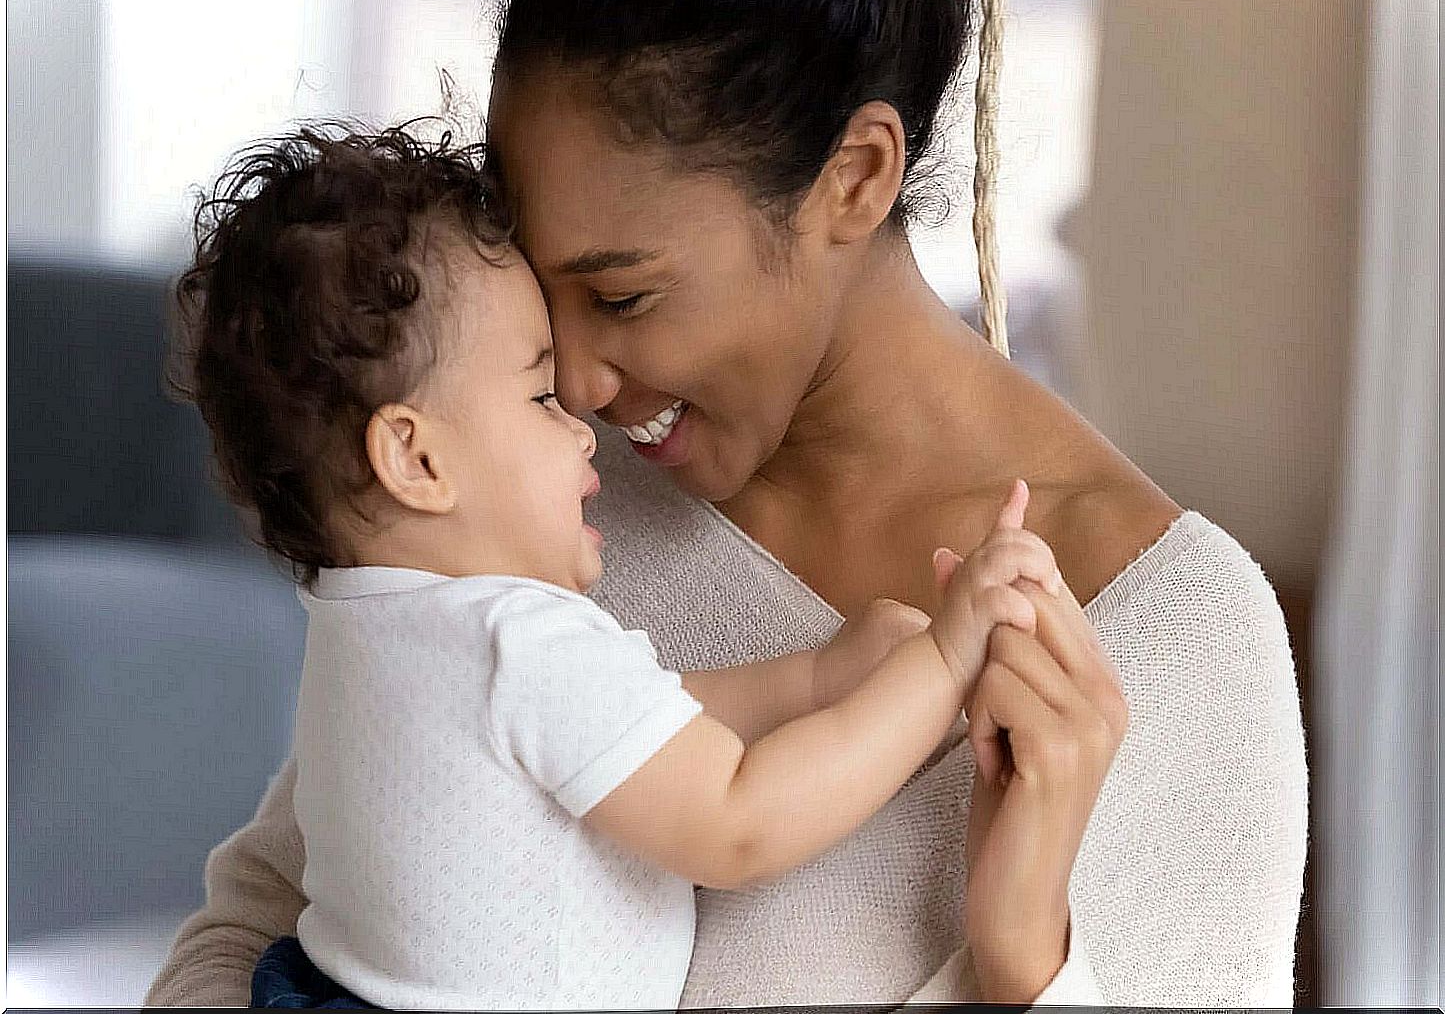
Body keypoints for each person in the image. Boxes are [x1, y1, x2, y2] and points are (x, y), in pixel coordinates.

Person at [147, 0, 1307, 1006]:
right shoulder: (522, 504)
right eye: (545, 309)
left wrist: (1021, 963)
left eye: (621, 295)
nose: (584, 384)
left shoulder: (1173, 636)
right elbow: (254, 928)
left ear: (854, 175)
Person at [170, 124, 1069, 1011]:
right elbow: (738, 820)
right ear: (416, 458)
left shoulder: (368, 625)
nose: (579, 421)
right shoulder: (511, 640)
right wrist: (942, 663)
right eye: (537, 394)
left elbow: (636, 718)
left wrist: (818, 675)